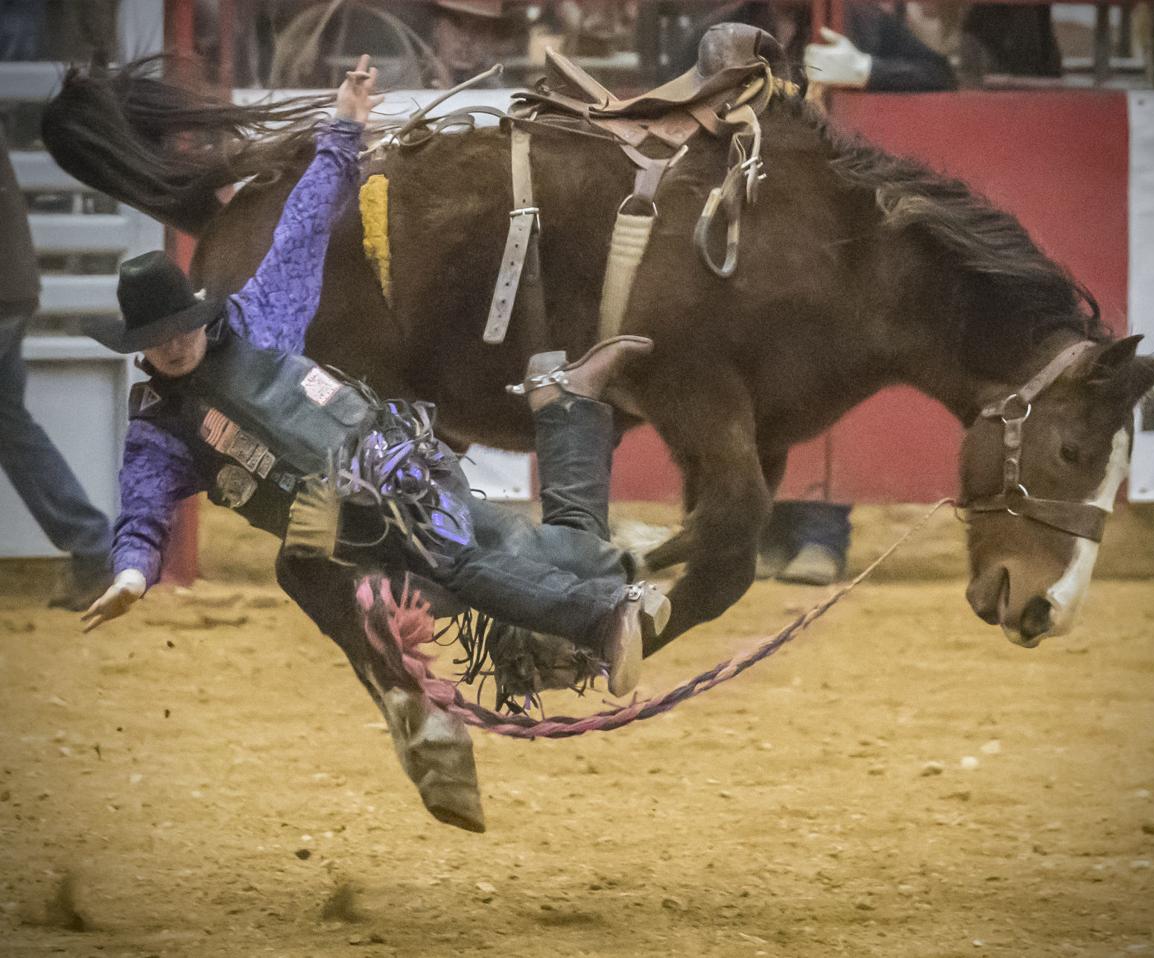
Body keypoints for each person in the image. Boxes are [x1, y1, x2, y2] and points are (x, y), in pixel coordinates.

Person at [79, 56, 669, 702]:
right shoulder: (160, 434)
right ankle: (603, 536)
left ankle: (604, 613)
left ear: (196, 316)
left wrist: (344, 126)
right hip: (371, 491)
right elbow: (141, 510)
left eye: (179, 329)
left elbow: (304, 223)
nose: (175, 345)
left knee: (471, 561)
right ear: (142, 349)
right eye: (160, 341)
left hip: (389, 469)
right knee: (493, 550)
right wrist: (133, 575)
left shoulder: (255, 317)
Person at [0, 125, 114, 610]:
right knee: (11, 427)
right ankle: (92, 549)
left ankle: (92, 546)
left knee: (12, 428)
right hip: (12, 285)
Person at [665, 0, 957, 92]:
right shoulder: (717, 30)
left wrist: (866, 70)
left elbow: (940, 76)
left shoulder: (862, 21)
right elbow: (670, 100)